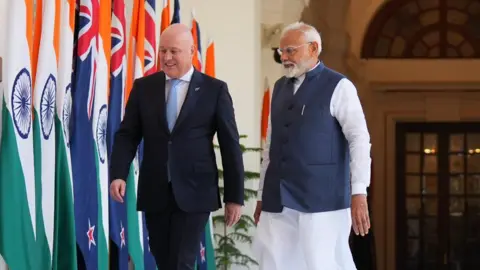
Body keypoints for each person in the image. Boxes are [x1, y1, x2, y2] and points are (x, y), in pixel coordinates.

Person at [109, 23, 244, 270]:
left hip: (195, 192)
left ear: (191, 51)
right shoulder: (143, 88)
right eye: (162, 51)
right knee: (163, 262)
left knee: (181, 262)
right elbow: (127, 135)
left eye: (173, 51)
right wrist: (118, 173)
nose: (166, 58)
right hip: (155, 191)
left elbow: (230, 145)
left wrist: (234, 197)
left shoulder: (215, 90)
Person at [252, 21, 372, 270]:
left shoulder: (339, 86)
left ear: (313, 48)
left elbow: (359, 138)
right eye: (281, 52)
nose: (284, 57)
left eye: (290, 51)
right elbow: (271, 146)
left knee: (322, 264)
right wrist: (263, 194)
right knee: (274, 264)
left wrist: (359, 191)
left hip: (322, 200)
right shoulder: (279, 88)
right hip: (278, 199)